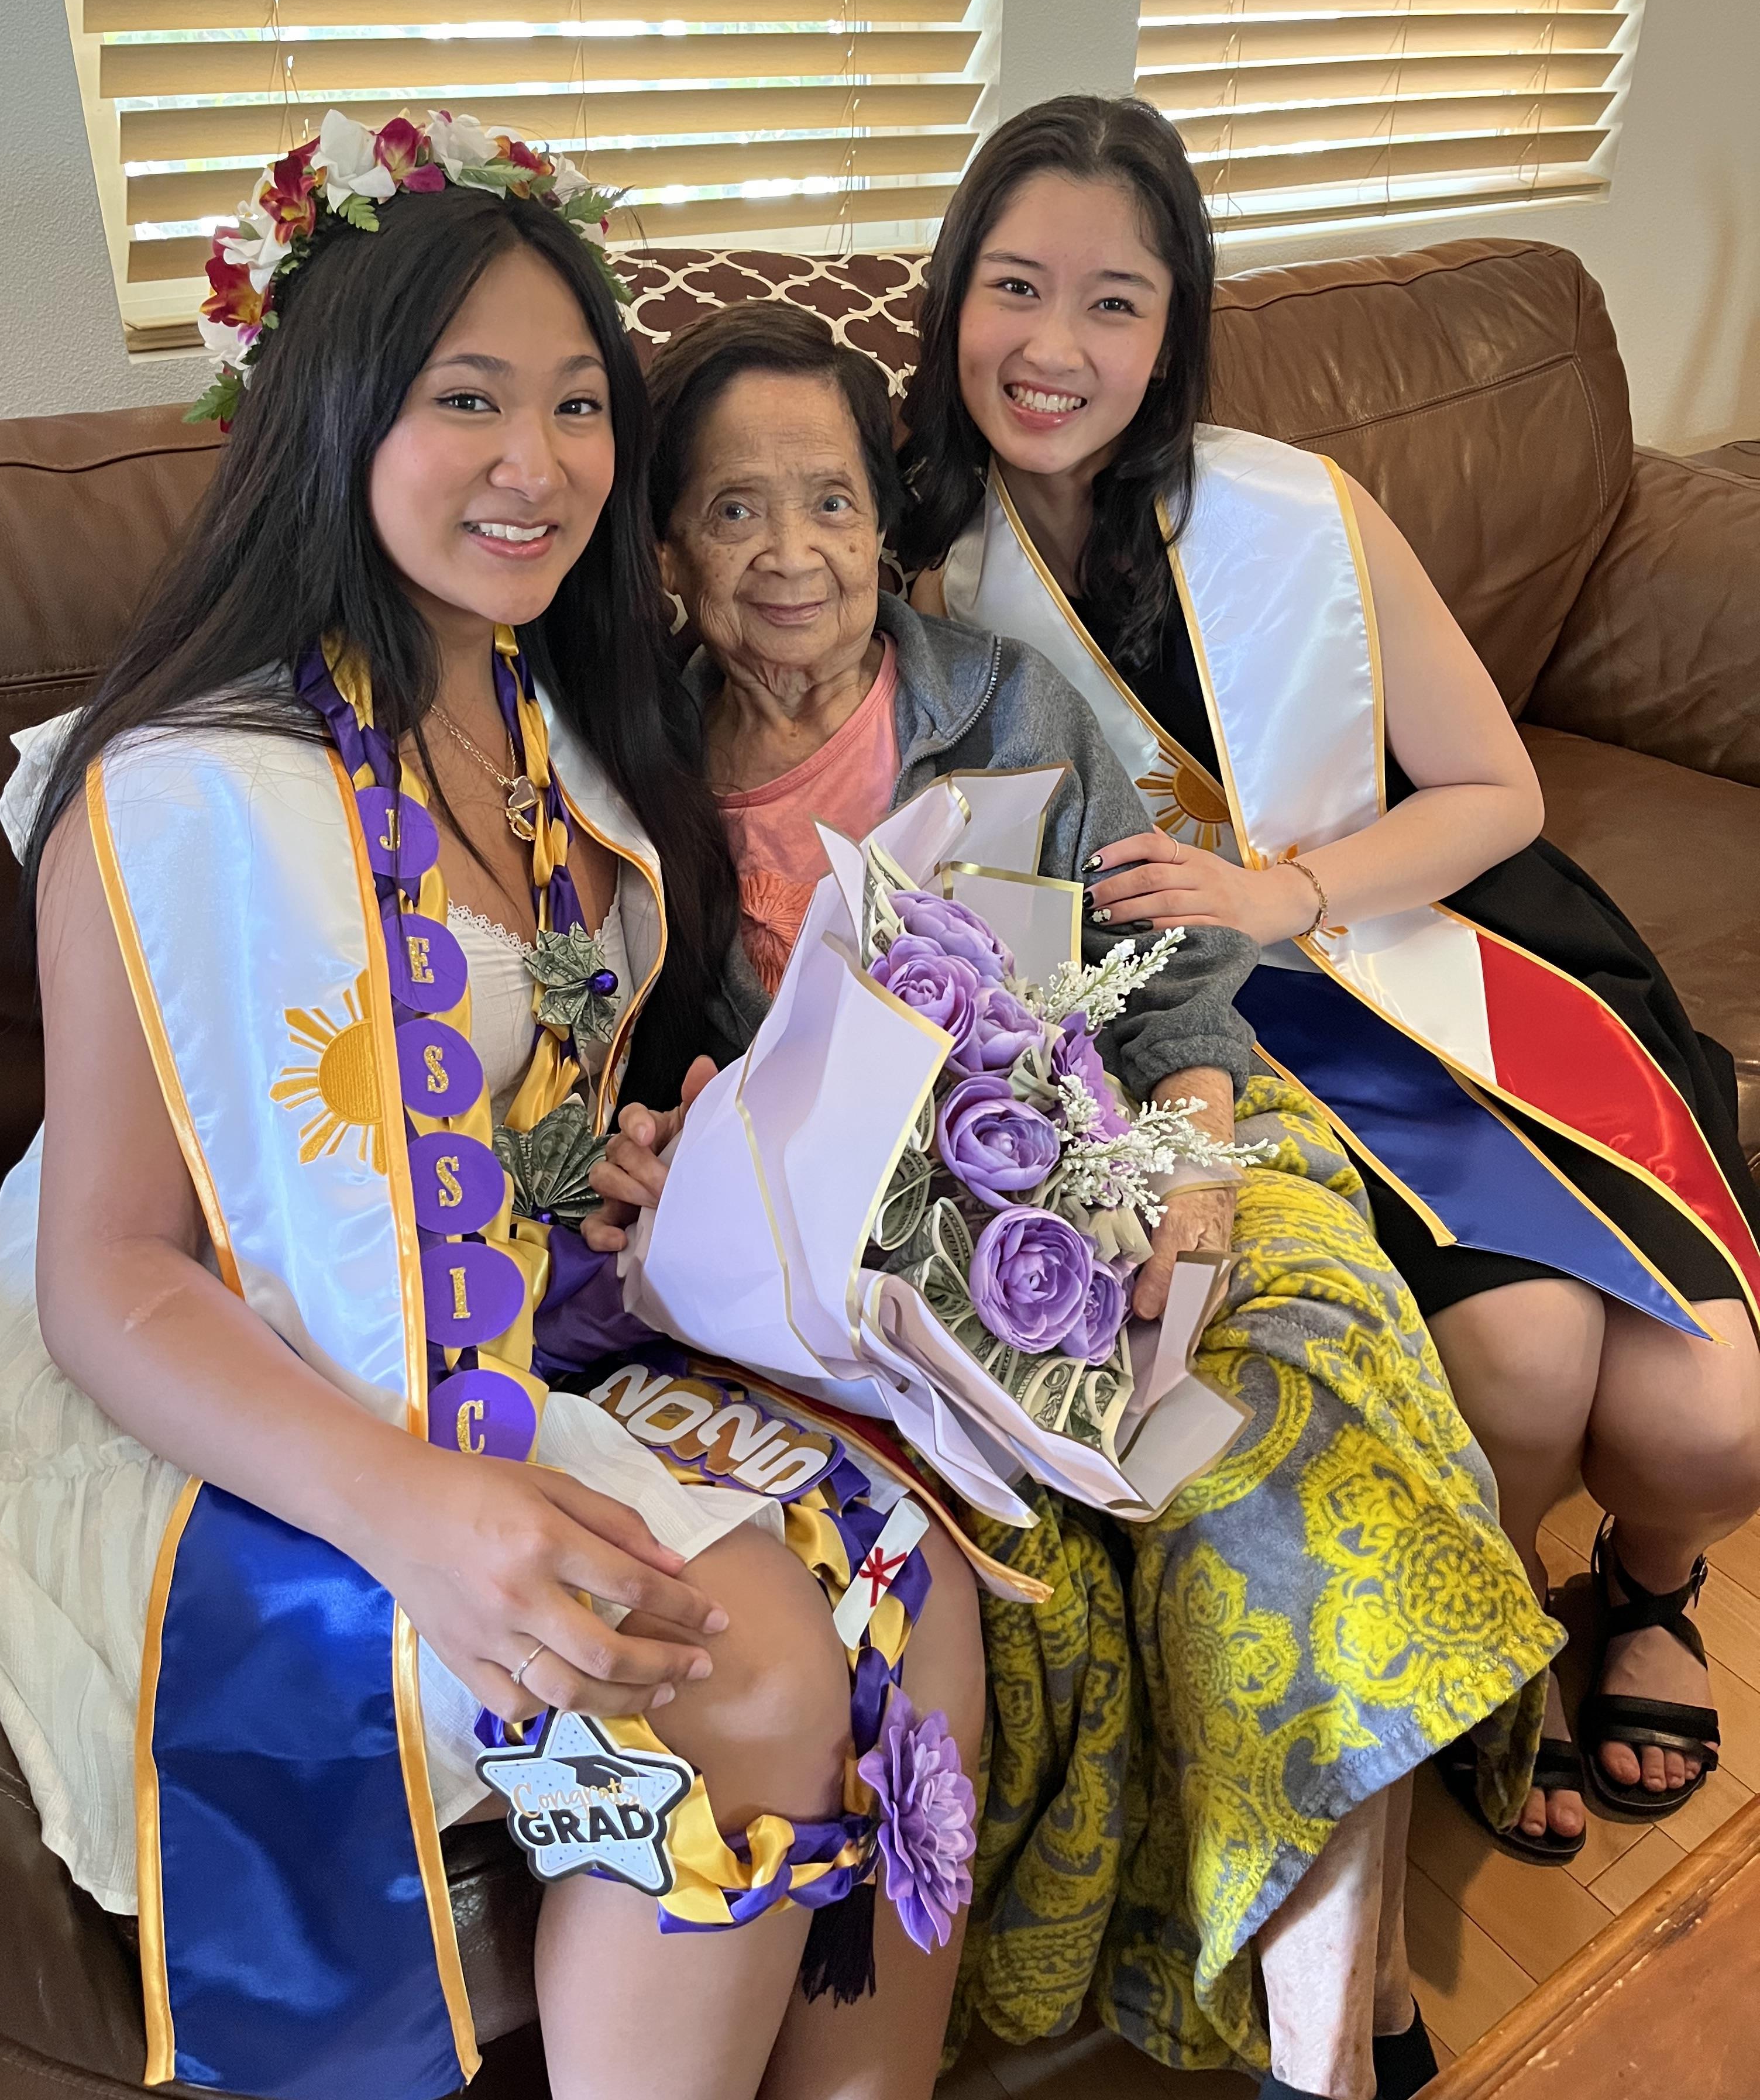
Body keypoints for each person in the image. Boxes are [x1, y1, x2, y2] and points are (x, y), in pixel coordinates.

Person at [0, 112, 982, 2100]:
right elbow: (111, 1275)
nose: (537, 465)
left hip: (501, 1327)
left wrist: (602, 1162)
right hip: (225, 1407)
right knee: (759, 1662)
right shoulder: (181, 790)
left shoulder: (547, 712)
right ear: (340, 417)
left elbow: (499, 1107)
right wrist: (416, 1513)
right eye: (467, 402)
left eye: (576, 405)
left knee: (925, 1567)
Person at [582, 299, 1559, 2100]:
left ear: (892, 527)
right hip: (889, 1305)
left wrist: (1181, 1197)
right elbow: (638, 1096)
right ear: (662, 550)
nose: (791, 555)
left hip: (1171, 1162)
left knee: (1277, 1450)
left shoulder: (1008, 706)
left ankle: (1328, 2056)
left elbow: (1181, 1010)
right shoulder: (623, 784)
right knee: (1050, 1559)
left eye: (831, 504)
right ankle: (1364, 2004)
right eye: (733, 513)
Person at [901, 92, 1760, 1875]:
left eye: (1116, 301)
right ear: (950, 296)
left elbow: (1497, 792)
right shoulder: (902, 566)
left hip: (1435, 947)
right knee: (1523, 1362)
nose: (1055, 349)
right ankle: (1483, 1628)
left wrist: (1284, 885)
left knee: (1716, 1414)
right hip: (1202, 1030)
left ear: (1177, 321)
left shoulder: (1294, 512)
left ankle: (1648, 1580)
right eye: (1015, 287)